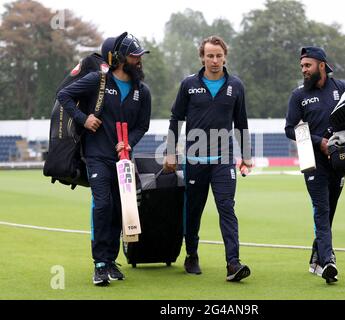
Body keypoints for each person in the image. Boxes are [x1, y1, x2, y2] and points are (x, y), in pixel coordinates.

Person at [57, 32, 151, 286]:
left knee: (120, 210)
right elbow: (63, 95)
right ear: (120, 58)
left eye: (140, 56)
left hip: (123, 159)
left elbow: (143, 125)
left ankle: (110, 260)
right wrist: (83, 118)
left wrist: (129, 141)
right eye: (134, 56)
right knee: (102, 204)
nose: (139, 60)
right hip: (97, 156)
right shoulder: (97, 81)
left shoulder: (142, 92)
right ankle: (99, 264)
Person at [285, 46, 345, 284]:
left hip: (340, 161)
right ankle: (328, 261)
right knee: (322, 210)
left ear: (322, 65)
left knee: (329, 212)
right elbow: (289, 128)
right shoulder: (299, 96)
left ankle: (317, 257)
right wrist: (320, 142)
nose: (304, 70)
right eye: (302, 66)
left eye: (308, 65)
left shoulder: (344, 90)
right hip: (312, 158)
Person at [163, 35, 253, 282]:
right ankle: (191, 254)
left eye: (218, 56)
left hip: (224, 160)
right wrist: (171, 151)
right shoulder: (188, 84)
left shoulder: (236, 86)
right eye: (210, 56)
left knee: (227, 208)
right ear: (202, 57)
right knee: (193, 211)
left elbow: (241, 122)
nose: (214, 60)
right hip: (194, 161)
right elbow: (176, 119)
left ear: (225, 57)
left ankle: (233, 263)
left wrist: (246, 155)